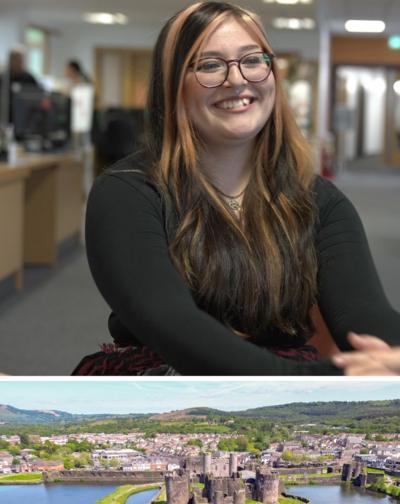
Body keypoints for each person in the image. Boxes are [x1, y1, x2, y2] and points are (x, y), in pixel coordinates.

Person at [78, 1, 400, 376]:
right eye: (210, 65)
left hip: (292, 391)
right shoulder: (128, 192)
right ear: (172, 86)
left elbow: (366, 317)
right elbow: (176, 328)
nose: (237, 79)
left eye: (252, 60)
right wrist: (326, 379)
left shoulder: (318, 200)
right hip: (165, 386)